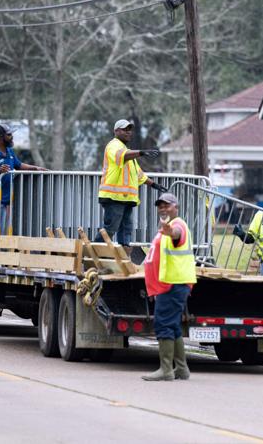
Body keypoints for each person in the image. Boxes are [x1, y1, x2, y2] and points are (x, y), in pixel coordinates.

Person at [142, 192, 195, 381]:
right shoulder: (165, 227)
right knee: (172, 326)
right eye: (160, 206)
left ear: (176, 207)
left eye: (167, 205)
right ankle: (181, 369)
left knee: (163, 324)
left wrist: (170, 232)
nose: (163, 208)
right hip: (170, 283)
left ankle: (166, 370)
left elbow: (177, 235)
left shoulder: (177, 225)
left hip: (173, 283)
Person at [98, 119, 166, 247]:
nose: (128, 132)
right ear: (116, 131)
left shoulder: (127, 151)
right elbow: (121, 156)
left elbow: (139, 175)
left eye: (130, 130)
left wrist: (154, 184)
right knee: (110, 229)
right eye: (124, 129)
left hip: (126, 199)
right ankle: (93, 254)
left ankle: (124, 259)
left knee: (126, 230)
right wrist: (141, 152)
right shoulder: (114, 145)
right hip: (113, 197)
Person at [0, 123, 46, 235]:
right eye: (9, 134)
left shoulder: (9, 151)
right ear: (0, 137)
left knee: (1, 234)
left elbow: (18, 164)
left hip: (4, 200)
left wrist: (35, 168)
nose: (11, 137)